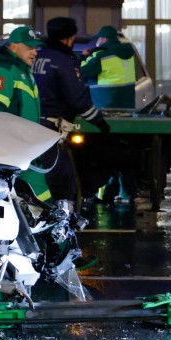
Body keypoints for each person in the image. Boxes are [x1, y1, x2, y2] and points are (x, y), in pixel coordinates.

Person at [0, 25, 81, 255]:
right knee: (40, 199)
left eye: (36, 48)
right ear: (13, 46)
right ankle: (55, 252)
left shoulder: (21, 71)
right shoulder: (3, 71)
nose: (35, 52)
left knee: (36, 200)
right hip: (13, 151)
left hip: (24, 150)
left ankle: (49, 252)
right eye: (29, 47)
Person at [33, 17, 118, 206]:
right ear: (70, 39)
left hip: (32, 123)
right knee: (62, 178)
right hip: (52, 128)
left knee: (40, 174)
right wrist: (100, 122)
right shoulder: (65, 62)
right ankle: (62, 218)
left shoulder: (36, 56)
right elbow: (78, 99)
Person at [80, 25, 137, 109]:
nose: (97, 42)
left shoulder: (102, 56)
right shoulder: (129, 55)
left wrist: (82, 57)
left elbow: (83, 71)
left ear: (105, 39)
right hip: (127, 104)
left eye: (98, 39)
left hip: (106, 104)